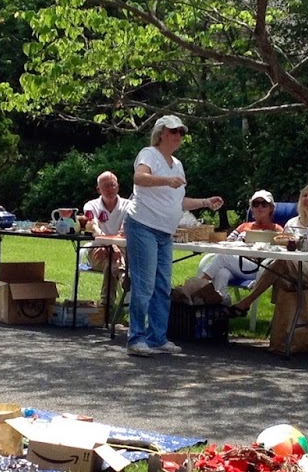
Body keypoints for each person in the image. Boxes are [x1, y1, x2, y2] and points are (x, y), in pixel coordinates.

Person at [122, 114, 223, 357]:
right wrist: (167, 180)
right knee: (144, 284)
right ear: (161, 134)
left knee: (162, 286)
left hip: (164, 233)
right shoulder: (149, 154)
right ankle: (136, 337)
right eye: (173, 131)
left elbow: (178, 202)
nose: (178, 136)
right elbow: (139, 178)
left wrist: (205, 202)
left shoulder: (177, 164)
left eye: (181, 132)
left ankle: (157, 337)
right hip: (143, 226)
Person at [229, 182, 308, 316]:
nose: (307, 199)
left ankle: (246, 302)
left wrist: (304, 259)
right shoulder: (292, 224)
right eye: (304, 195)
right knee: (280, 267)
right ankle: (284, 326)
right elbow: (280, 249)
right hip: (291, 271)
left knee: (282, 263)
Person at [179, 189, 281, 304]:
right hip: (236, 263)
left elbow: (282, 251)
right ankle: (221, 303)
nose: (260, 207)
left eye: (264, 204)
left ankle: (195, 289)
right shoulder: (244, 226)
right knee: (222, 272)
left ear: (271, 208)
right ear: (251, 208)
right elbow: (228, 242)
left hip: (259, 268)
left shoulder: (276, 229)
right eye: (256, 204)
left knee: (223, 257)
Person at [81, 171, 127, 274]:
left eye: (113, 185)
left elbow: (123, 232)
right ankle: (127, 286)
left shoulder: (129, 206)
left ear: (118, 187)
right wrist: (111, 246)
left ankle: (113, 290)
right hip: (97, 249)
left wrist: (110, 247)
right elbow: (93, 227)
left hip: (122, 250)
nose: (110, 189)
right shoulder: (90, 206)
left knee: (112, 263)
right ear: (98, 189)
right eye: (106, 186)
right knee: (116, 263)